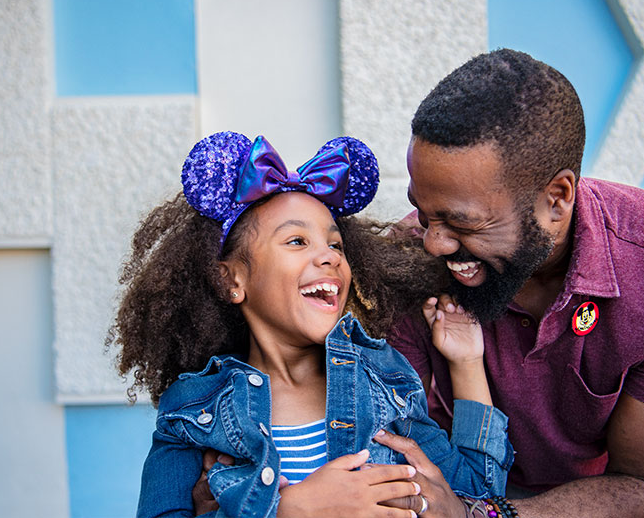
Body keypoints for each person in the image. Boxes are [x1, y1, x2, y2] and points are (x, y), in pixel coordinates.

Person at [108, 131, 514, 518]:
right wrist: (286, 510)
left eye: (335, 245)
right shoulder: (195, 408)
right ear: (231, 280)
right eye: (297, 241)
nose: (329, 257)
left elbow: (477, 493)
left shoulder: (383, 380)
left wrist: (466, 363)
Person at [387, 48, 644, 517]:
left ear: (557, 199)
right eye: (423, 211)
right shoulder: (411, 258)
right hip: (469, 479)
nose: (434, 242)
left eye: (462, 223)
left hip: (615, 490)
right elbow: (403, 433)